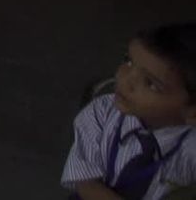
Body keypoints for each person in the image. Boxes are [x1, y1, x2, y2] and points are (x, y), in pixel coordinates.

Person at [62, 23, 196, 200]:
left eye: (151, 84)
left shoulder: (189, 146)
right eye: (129, 61)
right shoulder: (99, 113)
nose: (125, 80)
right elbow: (86, 183)